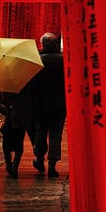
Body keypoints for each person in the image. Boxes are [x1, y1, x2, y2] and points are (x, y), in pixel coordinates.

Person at [30, 32, 67, 178]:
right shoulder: (63, 61)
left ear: (43, 45)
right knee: (55, 136)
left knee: (40, 133)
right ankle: (52, 165)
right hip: (59, 106)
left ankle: (39, 159)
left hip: (40, 106)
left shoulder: (37, 61)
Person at [0, 82, 38, 179]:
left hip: (11, 116)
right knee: (18, 142)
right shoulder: (26, 82)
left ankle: (10, 165)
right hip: (19, 117)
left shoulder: (5, 83)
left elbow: (3, 100)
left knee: (8, 143)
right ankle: (14, 164)